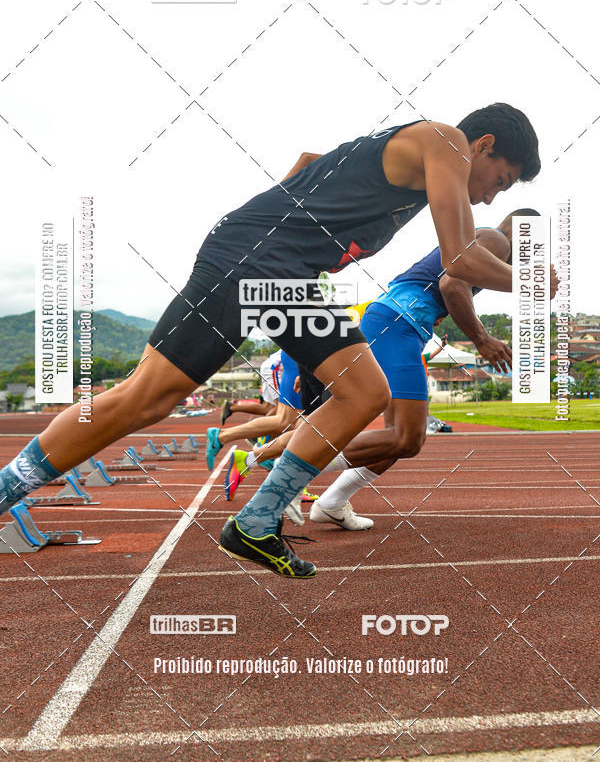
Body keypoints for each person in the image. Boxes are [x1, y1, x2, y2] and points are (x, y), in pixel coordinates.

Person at [0, 105, 540, 579]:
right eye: (503, 179)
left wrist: (283, 216)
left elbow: (310, 160)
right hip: (257, 263)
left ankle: (256, 523)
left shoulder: (415, 161)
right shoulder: (444, 139)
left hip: (283, 274)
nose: (494, 196)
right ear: (484, 145)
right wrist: (533, 281)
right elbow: (460, 261)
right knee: (146, 399)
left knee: (362, 394)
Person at [309, 209, 557, 529]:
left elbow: (455, 284)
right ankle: (290, 470)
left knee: (401, 438)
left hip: (397, 324)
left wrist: (533, 281)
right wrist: (482, 340)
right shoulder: (496, 240)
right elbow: (451, 285)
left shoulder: (484, 242)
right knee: (405, 436)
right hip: (397, 323)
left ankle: (331, 502)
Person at [221, 349, 282, 424]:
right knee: (284, 410)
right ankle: (258, 433)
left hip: (271, 366)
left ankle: (232, 408)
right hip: (275, 368)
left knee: (269, 407)